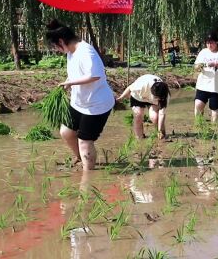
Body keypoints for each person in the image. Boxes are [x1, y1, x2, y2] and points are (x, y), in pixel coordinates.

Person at [45, 20, 114, 171]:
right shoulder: (71, 52)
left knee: (85, 141)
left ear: (61, 41)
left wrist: (71, 83)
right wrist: (68, 81)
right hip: (79, 102)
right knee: (66, 132)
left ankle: (88, 177)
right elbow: (77, 74)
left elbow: (95, 75)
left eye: (55, 46)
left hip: (96, 104)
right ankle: (81, 158)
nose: (56, 49)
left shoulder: (85, 51)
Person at [116, 74, 170, 140]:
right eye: (156, 97)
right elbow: (130, 88)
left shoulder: (165, 96)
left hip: (152, 99)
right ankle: (139, 138)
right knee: (138, 115)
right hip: (138, 97)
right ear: (151, 92)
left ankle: (161, 135)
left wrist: (160, 131)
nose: (158, 99)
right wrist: (121, 97)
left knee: (155, 117)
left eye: (159, 99)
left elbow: (161, 114)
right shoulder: (140, 86)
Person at [194, 32, 218, 122]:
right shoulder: (203, 52)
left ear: (217, 42)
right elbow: (196, 66)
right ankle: (199, 124)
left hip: (217, 86)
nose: (209, 45)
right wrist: (198, 67)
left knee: (214, 108)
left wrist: (215, 64)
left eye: (211, 43)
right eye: (207, 43)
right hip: (203, 84)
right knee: (198, 104)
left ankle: (215, 128)